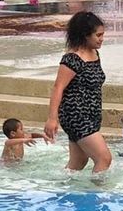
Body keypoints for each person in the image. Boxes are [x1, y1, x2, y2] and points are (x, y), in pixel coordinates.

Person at [44, 11, 112, 175]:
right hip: (76, 116)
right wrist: (52, 118)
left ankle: (62, 189)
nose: (102, 38)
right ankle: (95, 195)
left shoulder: (95, 54)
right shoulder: (72, 59)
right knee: (104, 158)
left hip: (91, 115)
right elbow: (58, 88)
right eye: (98, 35)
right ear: (85, 35)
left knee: (78, 162)